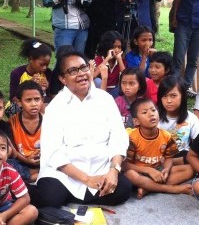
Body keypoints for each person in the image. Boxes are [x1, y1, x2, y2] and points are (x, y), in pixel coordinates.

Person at [28, 51, 131, 208]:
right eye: (73, 71)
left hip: (100, 169)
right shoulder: (56, 107)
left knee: (123, 189)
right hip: (66, 174)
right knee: (50, 198)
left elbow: (118, 137)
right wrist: (87, 179)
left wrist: (114, 170)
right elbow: (54, 152)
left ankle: (79, 197)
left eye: (84, 68)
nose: (82, 74)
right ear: (62, 79)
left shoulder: (105, 100)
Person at [124, 98, 193, 199]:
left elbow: (169, 158)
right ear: (136, 121)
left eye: (153, 110)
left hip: (158, 170)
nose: (151, 114)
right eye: (144, 112)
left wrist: (166, 169)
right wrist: (148, 170)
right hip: (139, 172)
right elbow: (124, 165)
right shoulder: (132, 138)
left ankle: (148, 188)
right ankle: (171, 189)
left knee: (190, 169)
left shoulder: (166, 136)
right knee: (130, 175)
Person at [158, 76, 199, 165]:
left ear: (183, 96)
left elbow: (197, 146)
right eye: (164, 96)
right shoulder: (155, 118)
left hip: (182, 158)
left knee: (191, 160)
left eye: (173, 96)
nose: (168, 100)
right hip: (159, 156)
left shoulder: (191, 118)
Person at [8, 81, 44, 183]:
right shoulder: (12, 123)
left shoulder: (48, 120)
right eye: (28, 100)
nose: (33, 104)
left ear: (42, 100)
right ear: (19, 102)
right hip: (22, 162)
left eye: (37, 99)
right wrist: (26, 160)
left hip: (44, 161)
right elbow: (12, 150)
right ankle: (36, 175)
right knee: (7, 163)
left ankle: (29, 177)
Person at [9, 39, 52, 106]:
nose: (44, 68)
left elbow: (48, 97)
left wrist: (46, 88)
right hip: (21, 105)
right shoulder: (17, 73)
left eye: (47, 64)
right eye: (42, 64)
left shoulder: (48, 73)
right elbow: (13, 98)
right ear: (30, 59)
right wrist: (29, 85)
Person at [93, 31, 126, 97]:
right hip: (101, 90)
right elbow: (93, 76)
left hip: (115, 91)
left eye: (119, 47)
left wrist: (119, 59)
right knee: (97, 81)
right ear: (106, 47)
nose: (117, 50)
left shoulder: (121, 61)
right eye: (114, 47)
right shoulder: (99, 59)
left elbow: (126, 76)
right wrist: (107, 58)